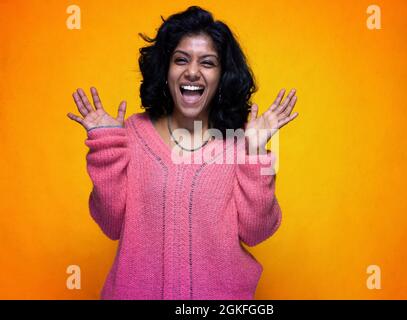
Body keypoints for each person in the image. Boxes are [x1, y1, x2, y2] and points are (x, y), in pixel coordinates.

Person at [67, 6, 298, 300]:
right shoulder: (132, 134)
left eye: (208, 63)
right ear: (166, 70)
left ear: (222, 76)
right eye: (181, 60)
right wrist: (106, 146)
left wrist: (254, 152)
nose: (192, 71)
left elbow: (258, 231)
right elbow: (111, 224)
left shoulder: (240, 140)